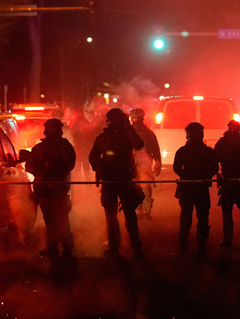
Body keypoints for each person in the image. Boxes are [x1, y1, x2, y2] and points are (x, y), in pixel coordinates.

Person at [89, 107, 146, 259]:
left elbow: (139, 144)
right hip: (110, 180)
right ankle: (116, 247)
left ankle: (134, 247)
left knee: (127, 214)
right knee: (113, 216)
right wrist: (98, 167)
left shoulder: (126, 135)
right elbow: (93, 156)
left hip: (124, 179)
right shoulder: (104, 137)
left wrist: (129, 128)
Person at [27, 118, 77, 260]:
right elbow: (29, 166)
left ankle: (62, 248)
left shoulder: (63, 147)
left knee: (58, 220)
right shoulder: (58, 147)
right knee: (55, 220)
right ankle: (56, 248)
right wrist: (41, 173)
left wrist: (48, 171)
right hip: (48, 191)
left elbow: (69, 166)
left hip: (58, 190)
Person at [172, 122, 219, 255]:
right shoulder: (207, 151)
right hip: (199, 188)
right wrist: (203, 176)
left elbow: (176, 167)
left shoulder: (183, 151)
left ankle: (185, 243)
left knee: (188, 216)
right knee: (201, 217)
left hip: (191, 188)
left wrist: (187, 176)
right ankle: (199, 243)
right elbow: (214, 168)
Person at [213, 120, 240, 248]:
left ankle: (228, 238)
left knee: (227, 212)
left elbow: (216, 159)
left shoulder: (223, 143)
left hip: (228, 181)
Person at [129, 107, 162, 219]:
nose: (136, 121)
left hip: (145, 165)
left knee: (146, 188)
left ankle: (146, 211)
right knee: (134, 188)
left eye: (138, 119)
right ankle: (138, 210)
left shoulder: (149, 134)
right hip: (131, 165)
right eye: (134, 119)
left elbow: (156, 150)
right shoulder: (127, 133)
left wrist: (157, 163)